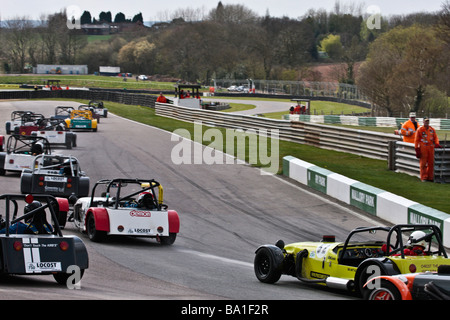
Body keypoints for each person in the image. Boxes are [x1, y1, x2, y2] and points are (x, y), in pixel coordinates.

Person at [414, 117, 441, 182]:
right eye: (425, 121)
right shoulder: (420, 129)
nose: (427, 122)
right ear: (423, 122)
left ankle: (430, 177)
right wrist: (417, 149)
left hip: (431, 148)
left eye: (428, 121)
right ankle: (424, 177)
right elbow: (416, 140)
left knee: (431, 163)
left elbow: (436, 138)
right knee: (423, 163)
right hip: (423, 148)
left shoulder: (432, 129)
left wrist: (437, 144)